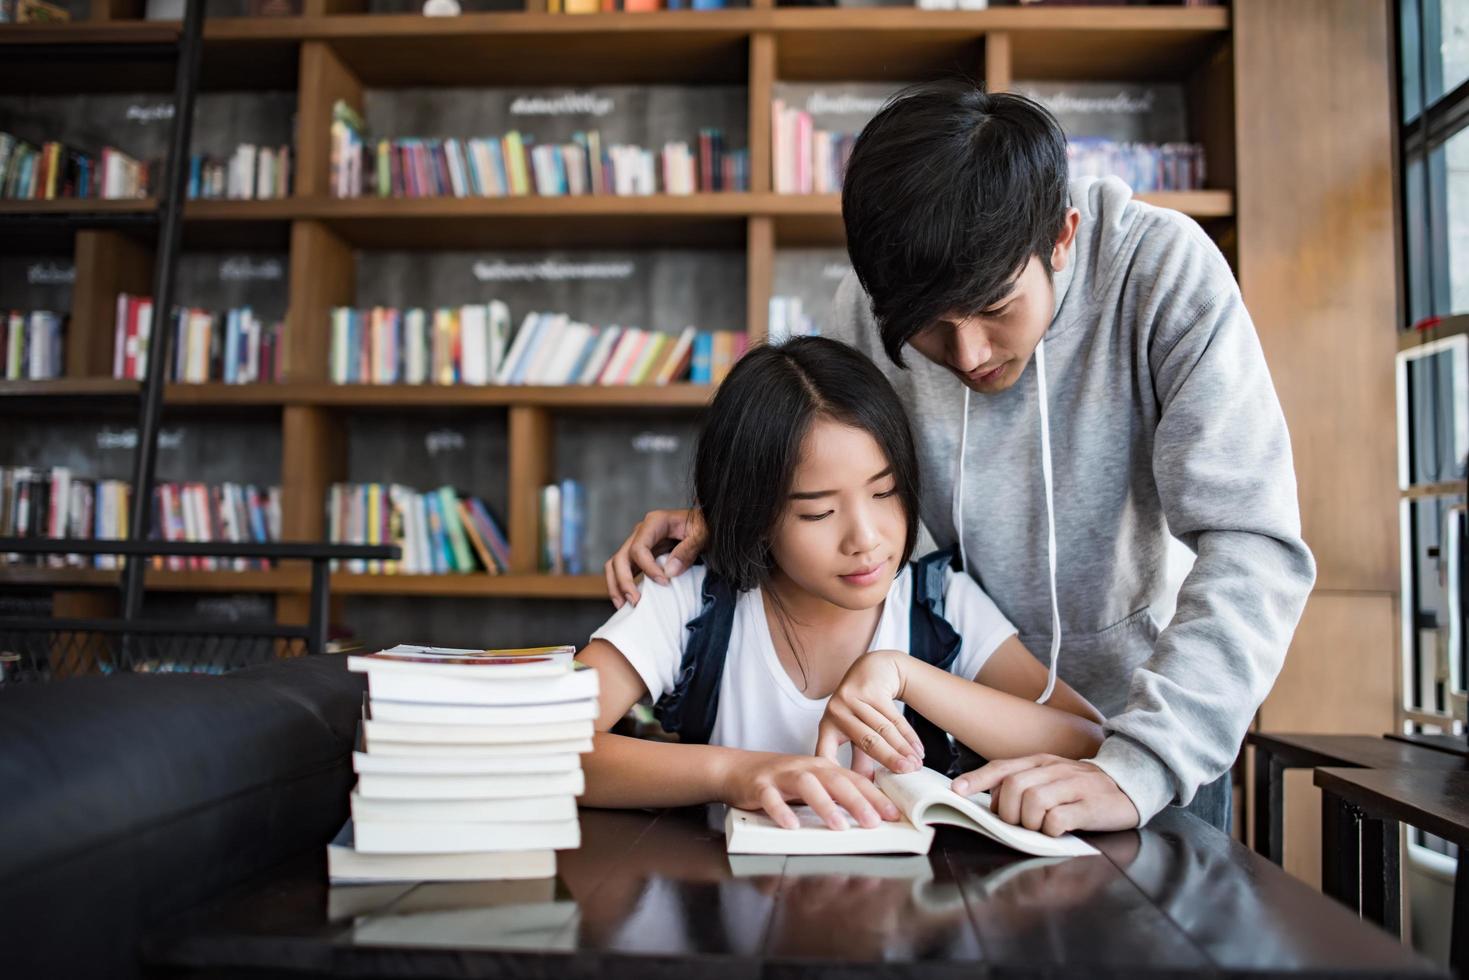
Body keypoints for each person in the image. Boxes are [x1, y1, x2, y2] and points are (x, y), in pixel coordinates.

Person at [605, 80, 1317, 835]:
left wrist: (1141, 764)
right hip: (953, 735)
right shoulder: (875, 305)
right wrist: (736, 515)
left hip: (1154, 724)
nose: (968, 354)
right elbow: (832, 468)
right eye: (930, 331)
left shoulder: (1162, 273)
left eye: (995, 309)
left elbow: (1251, 542)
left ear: (1062, 236)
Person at [578, 336, 1107, 833]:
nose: (866, 539)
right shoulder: (687, 600)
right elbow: (537, 748)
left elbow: (1087, 743)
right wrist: (735, 774)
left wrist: (905, 675)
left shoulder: (940, 604)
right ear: (755, 512)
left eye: (885, 493)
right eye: (818, 512)